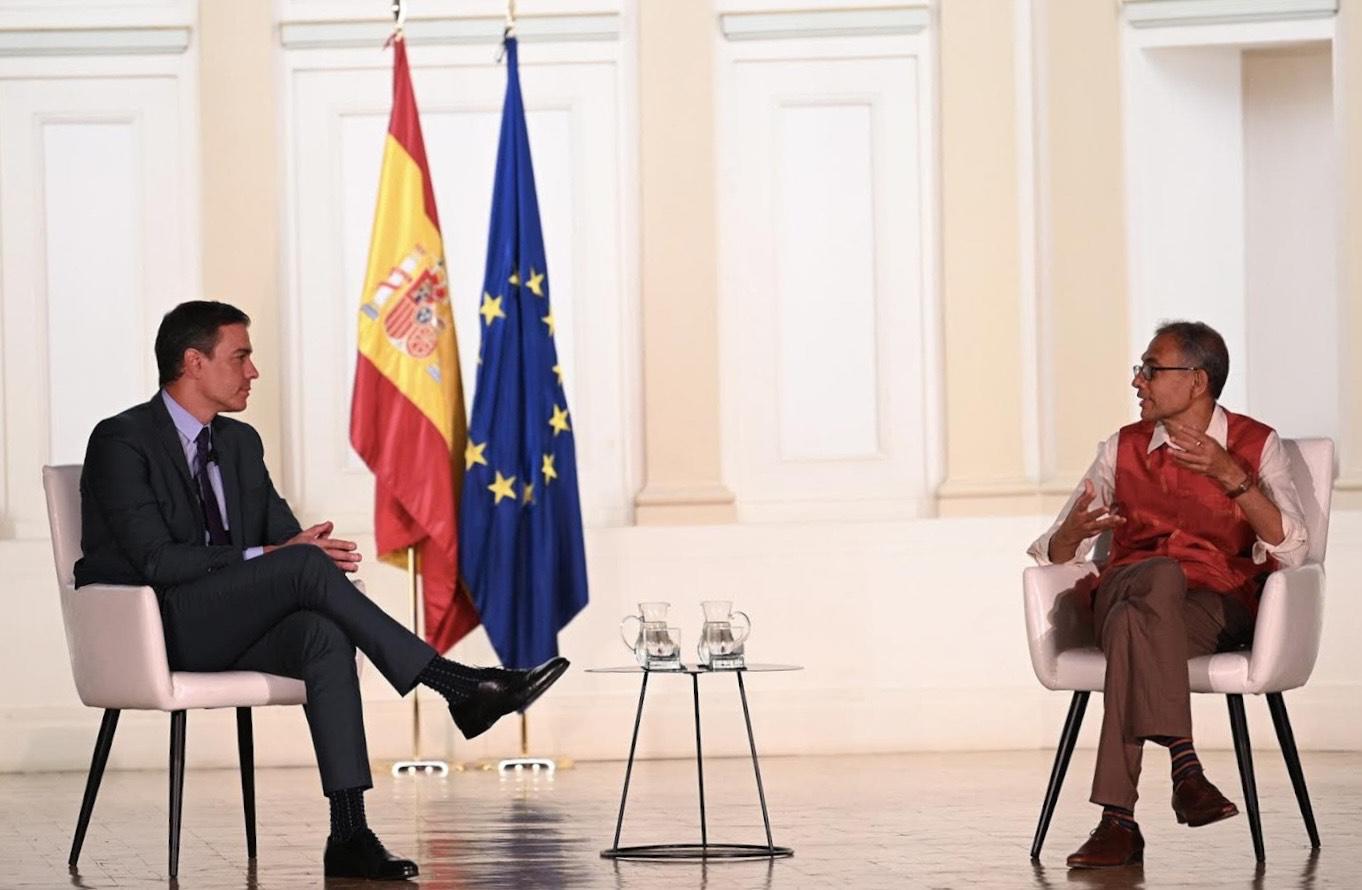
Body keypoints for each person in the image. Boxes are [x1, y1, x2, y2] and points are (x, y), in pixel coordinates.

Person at [75, 300, 569, 881]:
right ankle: (460, 685)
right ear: (194, 362)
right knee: (304, 569)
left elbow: (282, 537)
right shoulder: (121, 440)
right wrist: (283, 557)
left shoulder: (239, 443)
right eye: (241, 356)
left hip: (231, 623)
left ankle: (349, 832)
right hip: (156, 629)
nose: (253, 372)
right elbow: (157, 560)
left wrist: (307, 548)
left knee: (322, 632)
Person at [1027, 320, 1307, 869]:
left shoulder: (1255, 445)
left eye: (1152, 370)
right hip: (1129, 584)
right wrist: (1072, 533)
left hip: (1212, 606)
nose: (1139, 381)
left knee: (1135, 630)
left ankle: (1120, 822)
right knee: (1158, 574)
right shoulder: (1121, 448)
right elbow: (1053, 552)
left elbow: (1294, 550)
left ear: (1197, 380)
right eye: (1141, 370)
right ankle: (1185, 765)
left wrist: (1235, 479)